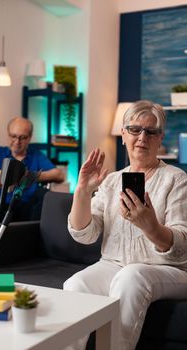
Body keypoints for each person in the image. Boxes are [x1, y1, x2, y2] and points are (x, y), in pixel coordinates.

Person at [63, 100, 187, 350]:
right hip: (114, 264)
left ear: (159, 138)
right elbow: (84, 235)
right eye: (134, 130)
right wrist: (82, 192)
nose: (142, 137)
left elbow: (182, 247)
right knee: (75, 284)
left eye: (150, 131)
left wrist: (150, 226)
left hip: (169, 269)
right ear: (123, 135)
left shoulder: (177, 179)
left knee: (131, 277)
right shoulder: (111, 181)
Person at [0, 117, 65, 223]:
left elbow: (59, 175)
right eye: (13, 136)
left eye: (23, 138)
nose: (17, 142)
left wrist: (29, 177)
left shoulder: (36, 155)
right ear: (8, 135)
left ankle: (33, 238)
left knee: (43, 194)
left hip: (27, 207)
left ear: (29, 138)